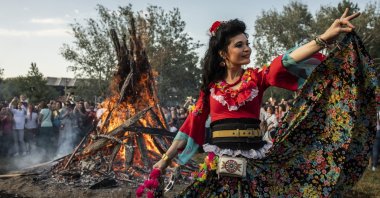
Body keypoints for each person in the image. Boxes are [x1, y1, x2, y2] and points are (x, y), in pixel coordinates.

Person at [150, 9, 377, 197]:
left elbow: (284, 63)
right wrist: (164, 160)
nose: (247, 48)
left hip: (255, 166)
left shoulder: (257, 78)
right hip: (218, 168)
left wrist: (325, 38)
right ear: (223, 53)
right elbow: (189, 127)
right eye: (239, 45)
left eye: (247, 43)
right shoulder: (210, 90)